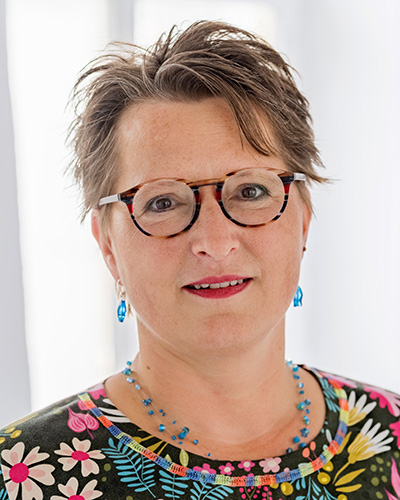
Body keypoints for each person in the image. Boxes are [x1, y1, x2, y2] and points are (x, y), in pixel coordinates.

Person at [1, 20, 399, 500]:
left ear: (303, 222)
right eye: (162, 202)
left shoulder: (392, 436)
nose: (215, 241)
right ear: (107, 245)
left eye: (250, 191)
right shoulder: (20, 476)